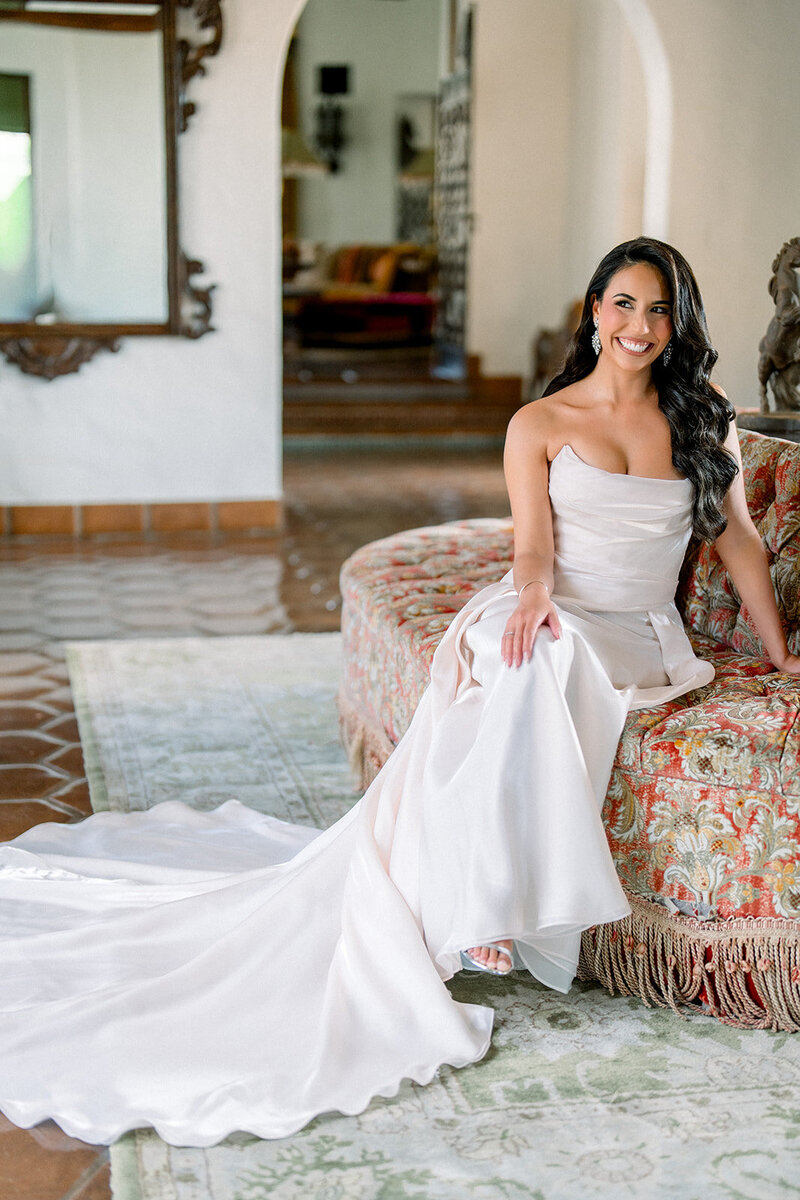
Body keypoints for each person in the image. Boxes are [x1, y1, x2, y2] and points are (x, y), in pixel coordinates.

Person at [0, 238, 796, 1148]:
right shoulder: (540, 421)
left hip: (643, 636)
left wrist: (778, 654)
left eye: (658, 310)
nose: (639, 326)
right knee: (525, 656)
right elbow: (531, 544)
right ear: (592, 311)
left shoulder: (703, 420)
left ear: (679, 322)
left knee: (542, 665)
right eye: (622, 304)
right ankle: (468, 907)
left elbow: (738, 543)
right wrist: (531, 591)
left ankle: (481, 895)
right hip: (557, 609)